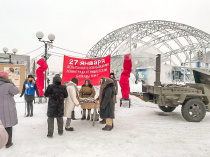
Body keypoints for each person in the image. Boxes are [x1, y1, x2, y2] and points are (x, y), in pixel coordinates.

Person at [0, 71, 19, 148]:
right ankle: (8, 142)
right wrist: (12, 83)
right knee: (8, 125)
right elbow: (16, 91)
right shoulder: (8, 85)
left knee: (1, 125)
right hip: (7, 108)